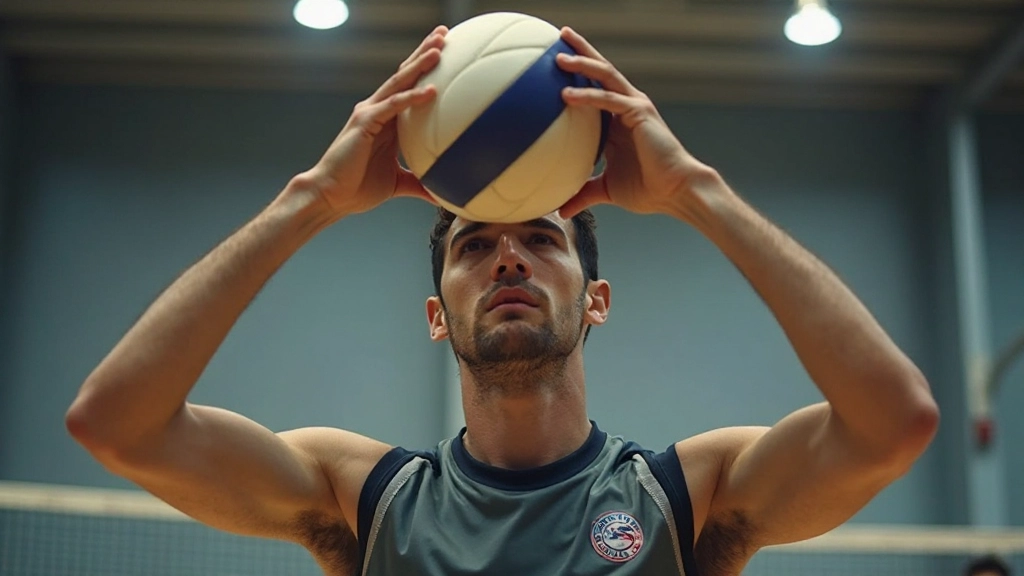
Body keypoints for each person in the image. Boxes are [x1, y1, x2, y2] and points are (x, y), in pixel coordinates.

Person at [65, 24, 940, 576]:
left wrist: (694, 191)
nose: (508, 259)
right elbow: (116, 423)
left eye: (542, 239)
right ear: (437, 314)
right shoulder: (365, 499)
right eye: (474, 246)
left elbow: (893, 422)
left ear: (596, 300)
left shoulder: (686, 495)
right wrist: (312, 200)